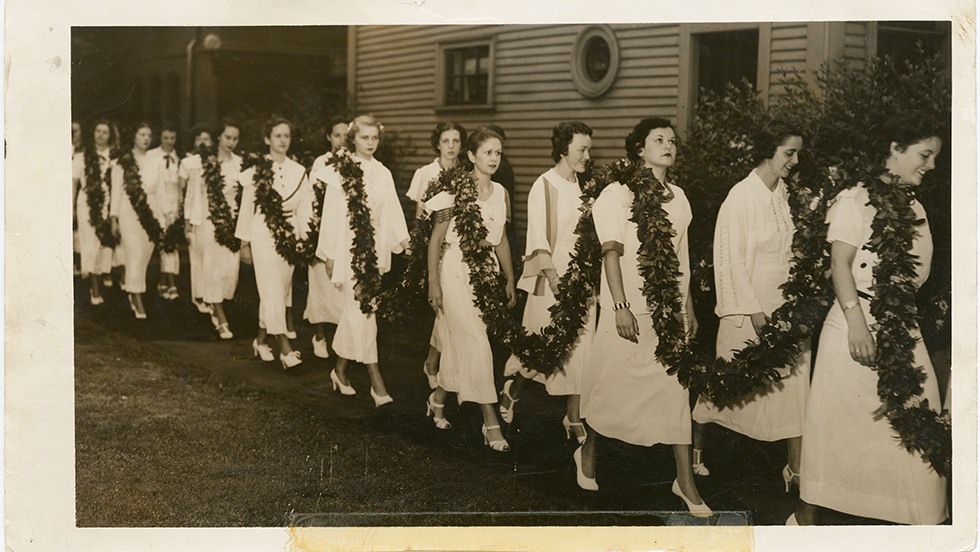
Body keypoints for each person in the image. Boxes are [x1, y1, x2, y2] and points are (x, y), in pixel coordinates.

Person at [789, 111, 948, 525]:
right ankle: (805, 518)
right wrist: (857, 324)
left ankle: (920, 519)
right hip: (853, 321)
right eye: (925, 155)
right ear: (894, 150)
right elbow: (840, 263)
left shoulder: (914, 204)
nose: (930, 166)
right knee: (836, 426)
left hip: (901, 323)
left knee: (918, 409)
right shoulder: (855, 198)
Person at [578, 118, 710, 516]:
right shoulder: (617, 194)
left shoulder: (680, 198)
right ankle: (587, 451)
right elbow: (611, 252)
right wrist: (619, 306)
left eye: (672, 140)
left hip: (666, 310)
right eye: (658, 140)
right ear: (639, 149)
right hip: (628, 305)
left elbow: (683, 259)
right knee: (611, 388)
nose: (668, 145)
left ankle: (684, 481)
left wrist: (687, 306)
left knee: (674, 390)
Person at [690, 123, 810, 489]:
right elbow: (729, 261)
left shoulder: (787, 196)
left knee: (795, 388)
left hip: (785, 307)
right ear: (767, 150)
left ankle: (796, 470)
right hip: (750, 307)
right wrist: (754, 310)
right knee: (728, 384)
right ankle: (694, 451)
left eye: (798, 154)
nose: (795, 160)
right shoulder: (739, 198)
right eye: (789, 153)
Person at [499, 121, 596, 444]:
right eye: (582, 149)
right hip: (550, 283)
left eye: (588, 148)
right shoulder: (544, 185)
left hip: (582, 284)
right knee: (541, 351)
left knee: (582, 352)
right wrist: (556, 281)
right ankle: (513, 390)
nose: (587, 155)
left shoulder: (587, 187)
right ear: (563, 148)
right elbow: (538, 237)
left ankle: (573, 417)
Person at [425, 127, 517, 452]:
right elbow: (436, 240)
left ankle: (438, 399)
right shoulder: (455, 189)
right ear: (472, 156)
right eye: (488, 152)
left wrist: (509, 278)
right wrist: (433, 282)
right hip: (454, 271)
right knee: (476, 341)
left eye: (498, 153)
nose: (493, 158)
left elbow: (501, 239)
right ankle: (490, 422)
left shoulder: (502, 192)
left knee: (461, 342)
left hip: (487, 273)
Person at [316, 115, 410, 406]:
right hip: (347, 250)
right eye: (364, 137)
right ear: (352, 139)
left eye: (374, 138)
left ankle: (340, 370)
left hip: (375, 252)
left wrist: (406, 244)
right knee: (363, 311)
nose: (370, 143)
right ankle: (376, 381)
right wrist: (329, 254)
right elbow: (331, 213)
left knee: (358, 312)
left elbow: (392, 211)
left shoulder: (382, 173)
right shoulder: (341, 170)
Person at [235, 116, 313, 368]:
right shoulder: (256, 170)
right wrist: (244, 243)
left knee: (277, 291)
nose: (282, 140)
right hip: (262, 232)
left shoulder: (299, 171)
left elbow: (305, 209)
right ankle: (285, 348)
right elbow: (246, 208)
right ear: (267, 139)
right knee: (271, 288)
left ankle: (259, 340)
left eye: (286, 136)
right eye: (277, 135)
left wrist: (303, 239)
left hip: (289, 234)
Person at [406, 121, 467, 389]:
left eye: (456, 141)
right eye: (446, 141)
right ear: (438, 144)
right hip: (433, 249)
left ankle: (435, 363)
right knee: (444, 310)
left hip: (457, 249)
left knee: (448, 311)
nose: (451, 147)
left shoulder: (466, 173)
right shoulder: (425, 173)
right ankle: (436, 364)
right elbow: (420, 217)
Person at [183, 118, 243, 339]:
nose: (231, 142)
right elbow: (192, 193)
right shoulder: (203, 162)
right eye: (228, 137)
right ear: (219, 136)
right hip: (208, 220)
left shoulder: (239, 163)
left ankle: (214, 301)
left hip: (231, 222)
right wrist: (188, 220)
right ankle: (219, 316)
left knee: (229, 269)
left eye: (235, 138)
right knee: (212, 266)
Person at [110, 122, 169, 319]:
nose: (145, 138)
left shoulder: (156, 162)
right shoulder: (123, 161)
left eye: (148, 135)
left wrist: (165, 216)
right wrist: (114, 218)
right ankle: (136, 298)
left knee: (144, 255)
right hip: (129, 210)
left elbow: (161, 192)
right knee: (134, 253)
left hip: (151, 211)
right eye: (142, 134)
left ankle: (133, 287)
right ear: (134, 137)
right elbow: (116, 191)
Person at [304, 115, 349, 359]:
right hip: (322, 231)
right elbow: (313, 200)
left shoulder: (353, 161)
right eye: (337, 135)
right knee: (321, 285)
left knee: (342, 292)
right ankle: (319, 335)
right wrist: (312, 236)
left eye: (345, 135)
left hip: (345, 231)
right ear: (329, 137)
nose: (341, 140)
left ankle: (341, 342)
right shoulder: (321, 163)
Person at [72, 120, 117, 305]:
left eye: (104, 132)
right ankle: (94, 287)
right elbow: (74, 183)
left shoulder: (115, 157)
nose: (100, 135)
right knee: (89, 243)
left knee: (103, 244)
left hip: (107, 202)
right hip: (86, 203)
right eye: (98, 131)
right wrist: (72, 207)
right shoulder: (82, 156)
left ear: (110, 136)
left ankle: (99, 275)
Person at [148, 123, 182, 300]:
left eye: (172, 138)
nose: (169, 142)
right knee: (165, 243)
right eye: (166, 138)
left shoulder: (179, 157)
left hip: (174, 205)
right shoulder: (151, 156)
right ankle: (171, 283)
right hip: (157, 204)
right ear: (160, 138)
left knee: (171, 243)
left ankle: (164, 281)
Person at [185, 122, 215, 314]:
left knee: (210, 258)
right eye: (199, 139)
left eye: (206, 139)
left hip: (211, 214)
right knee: (196, 256)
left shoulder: (216, 160)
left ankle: (210, 295)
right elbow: (187, 193)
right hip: (195, 215)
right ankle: (197, 295)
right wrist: (187, 220)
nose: (203, 142)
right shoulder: (188, 162)